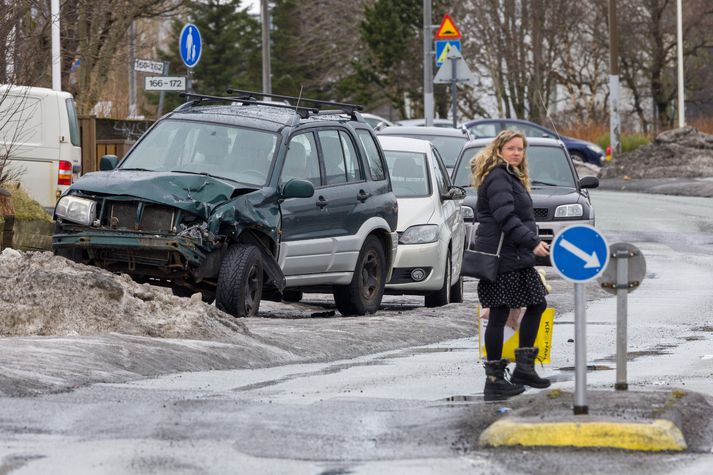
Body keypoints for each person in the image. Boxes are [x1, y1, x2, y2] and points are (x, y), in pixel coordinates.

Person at [470, 129, 551, 401]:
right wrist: (532, 242)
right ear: (499, 151)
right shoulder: (498, 177)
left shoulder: (510, 176)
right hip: (502, 257)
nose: (517, 153)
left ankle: (524, 369)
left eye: (520, 149)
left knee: (537, 304)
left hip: (516, 257)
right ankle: (494, 380)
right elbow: (505, 217)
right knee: (499, 313)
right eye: (511, 148)